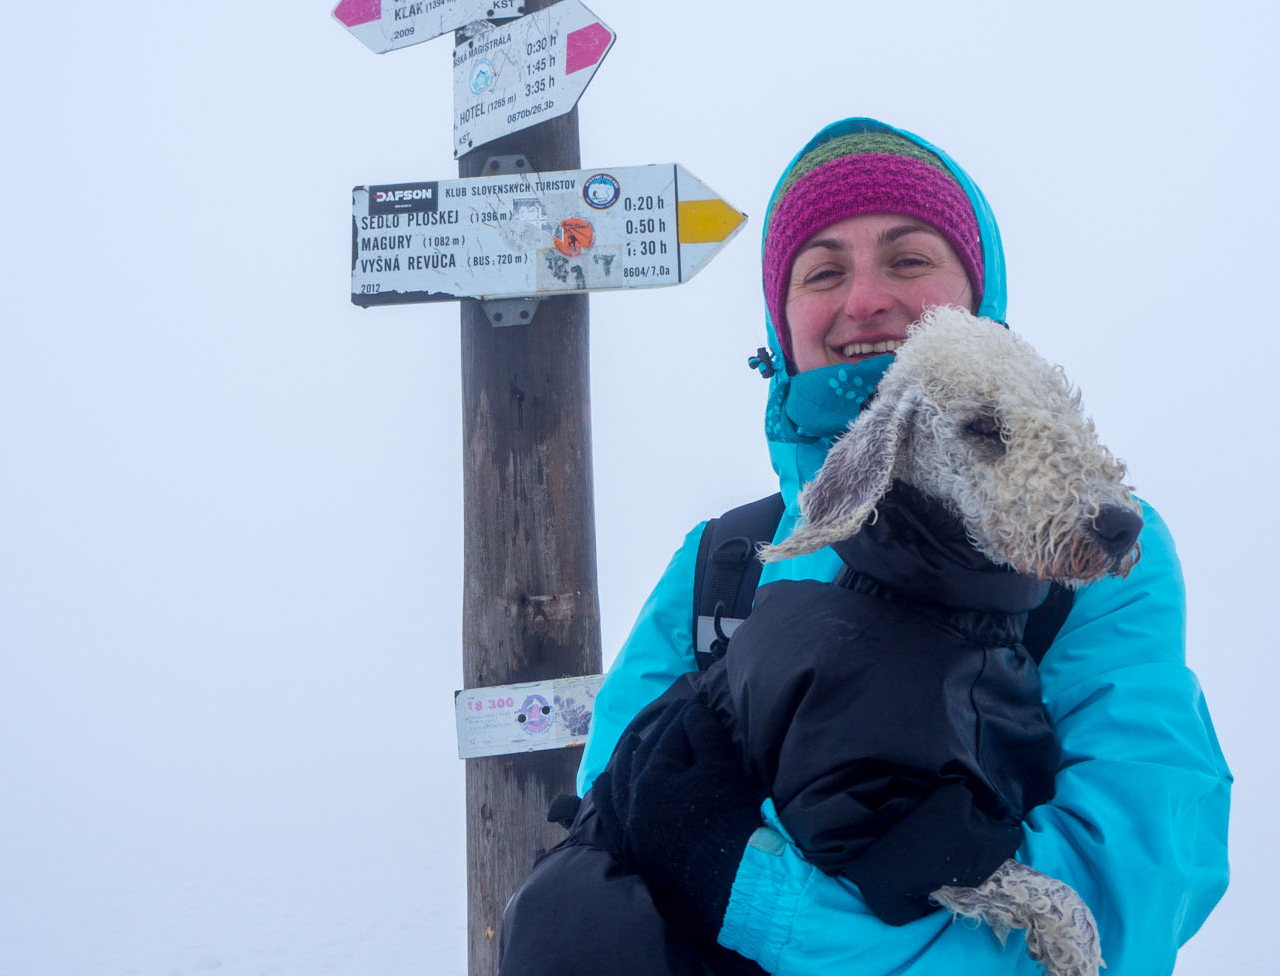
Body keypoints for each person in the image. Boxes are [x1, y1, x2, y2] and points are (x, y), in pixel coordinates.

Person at [504, 119, 1231, 974]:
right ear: (782, 321)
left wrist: (740, 882)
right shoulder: (720, 560)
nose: (864, 301)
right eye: (823, 272)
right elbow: (613, 828)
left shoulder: (1094, 553)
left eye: (909, 258)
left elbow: (1122, 907)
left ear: (978, 289)